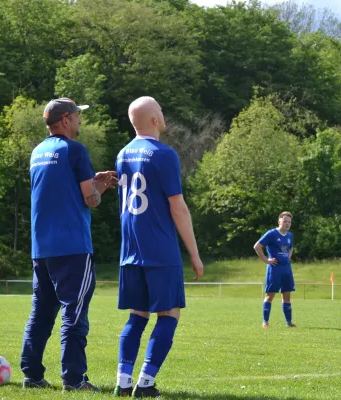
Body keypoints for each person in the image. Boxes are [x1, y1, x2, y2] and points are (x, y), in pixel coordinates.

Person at [20, 98, 117, 391]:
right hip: (72, 247)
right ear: (65, 120)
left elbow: (60, 189)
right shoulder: (75, 150)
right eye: (77, 116)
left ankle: (32, 375)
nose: (80, 121)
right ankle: (74, 380)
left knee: (41, 312)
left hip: (42, 248)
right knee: (74, 314)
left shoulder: (37, 152)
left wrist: (90, 180)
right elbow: (90, 200)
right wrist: (100, 187)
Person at [113, 96, 204, 398]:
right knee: (169, 314)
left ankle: (123, 383)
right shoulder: (164, 154)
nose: (164, 115)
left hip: (130, 250)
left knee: (137, 315)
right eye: (161, 111)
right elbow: (177, 207)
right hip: (159, 249)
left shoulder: (122, 154)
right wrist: (194, 253)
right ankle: (146, 384)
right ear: (154, 119)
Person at [253, 211, 296, 328]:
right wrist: (266, 260)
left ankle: (289, 322)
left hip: (286, 268)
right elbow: (257, 246)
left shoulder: (289, 235)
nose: (287, 224)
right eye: (285, 221)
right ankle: (265, 322)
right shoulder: (271, 233)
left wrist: (288, 257)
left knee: (286, 295)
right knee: (270, 295)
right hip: (274, 268)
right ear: (279, 221)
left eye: (289, 222)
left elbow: (291, 248)